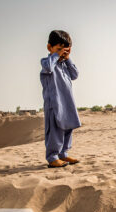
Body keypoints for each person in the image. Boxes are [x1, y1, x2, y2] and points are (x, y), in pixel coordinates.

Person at [40, 30, 81, 167]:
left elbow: (75, 75)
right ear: (49, 48)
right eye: (58, 49)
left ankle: (63, 154)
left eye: (65, 50)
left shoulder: (64, 64)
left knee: (68, 128)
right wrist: (56, 55)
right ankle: (52, 157)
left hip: (67, 103)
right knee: (55, 130)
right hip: (54, 104)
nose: (62, 52)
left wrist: (68, 58)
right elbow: (49, 67)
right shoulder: (47, 62)